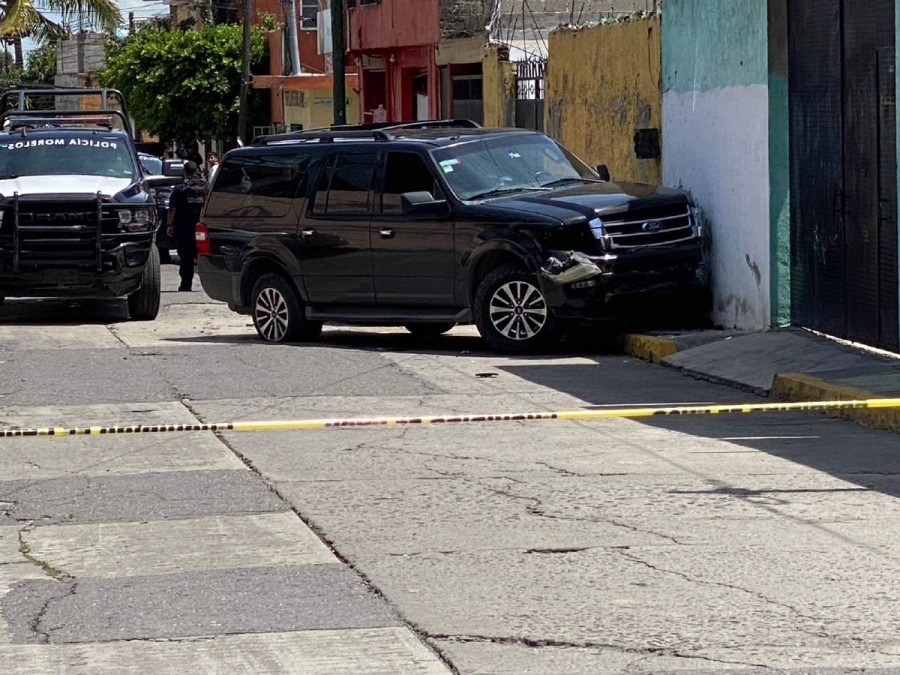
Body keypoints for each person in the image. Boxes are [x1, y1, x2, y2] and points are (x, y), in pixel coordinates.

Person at [166, 161, 207, 292]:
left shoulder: (180, 188)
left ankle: (186, 285)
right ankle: (209, 287)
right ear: (197, 171)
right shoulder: (206, 187)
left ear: (185, 172)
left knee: (186, 259)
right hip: (203, 228)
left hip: (184, 228)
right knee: (205, 258)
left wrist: (169, 225)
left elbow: (172, 209)